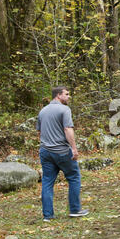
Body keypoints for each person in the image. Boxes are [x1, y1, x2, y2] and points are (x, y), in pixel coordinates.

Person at [36, 86, 89, 222]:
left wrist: (45, 144)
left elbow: (39, 132)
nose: (69, 96)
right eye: (67, 94)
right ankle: (75, 209)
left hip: (45, 151)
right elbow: (67, 129)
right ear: (58, 95)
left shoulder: (42, 111)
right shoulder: (64, 109)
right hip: (61, 151)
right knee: (74, 177)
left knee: (47, 182)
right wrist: (74, 149)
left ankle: (47, 215)